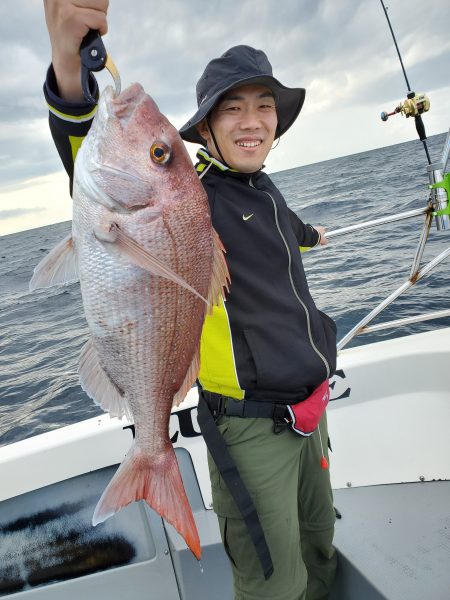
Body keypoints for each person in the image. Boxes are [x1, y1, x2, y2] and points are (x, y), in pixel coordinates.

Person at [43, 2, 338, 598]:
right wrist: (69, 73)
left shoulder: (265, 188)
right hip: (253, 431)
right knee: (274, 581)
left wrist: (310, 235)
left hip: (313, 411)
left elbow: (279, 230)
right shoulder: (190, 196)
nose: (252, 121)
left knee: (318, 546)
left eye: (265, 108)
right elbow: (89, 157)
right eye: (234, 109)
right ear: (204, 128)